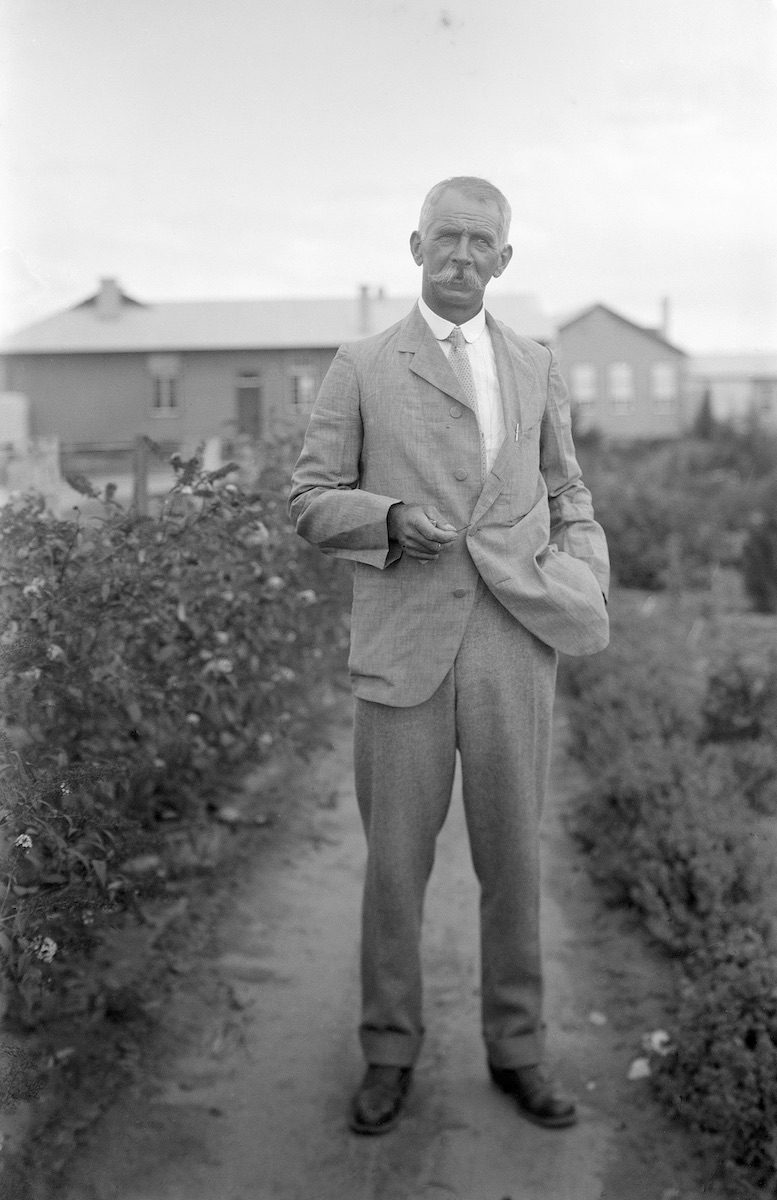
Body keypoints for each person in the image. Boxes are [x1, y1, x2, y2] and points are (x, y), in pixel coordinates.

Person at [289, 176, 610, 1136]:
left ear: (503, 258)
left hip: (513, 648)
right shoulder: (361, 363)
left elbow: (569, 490)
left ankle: (517, 1050)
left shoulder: (534, 362)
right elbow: (308, 495)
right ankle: (387, 1052)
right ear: (415, 245)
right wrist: (383, 518)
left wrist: (583, 572)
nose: (461, 255)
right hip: (404, 651)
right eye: (445, 238)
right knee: (396, 865)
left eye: (481, 241)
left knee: (513, 859)